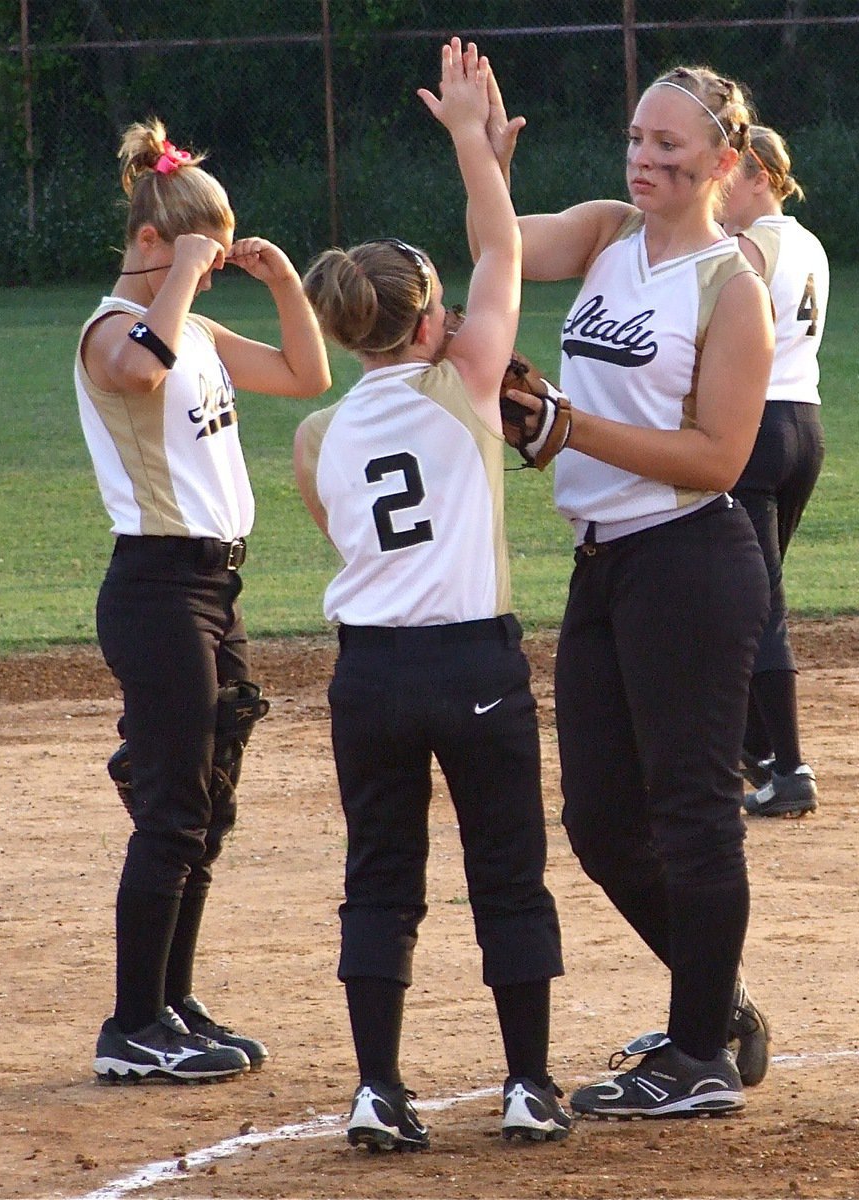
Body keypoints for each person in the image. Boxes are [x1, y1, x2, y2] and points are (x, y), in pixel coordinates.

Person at [473, 64, 776, 1117]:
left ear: (723, 165)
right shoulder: (610, 233)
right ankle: (716, 1008)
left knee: (693, 816)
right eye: (636, 140)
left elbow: (718, 458)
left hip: (688, 563)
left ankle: (696, 1055)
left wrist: (567, 428)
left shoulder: (728, 287)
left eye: (672, 151)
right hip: (603, 561)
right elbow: (497, 248)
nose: (645, 161)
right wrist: (481, 152)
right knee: (601, 821)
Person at [293, 39, 569, 1150]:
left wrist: (480, 155)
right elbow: (500, 247)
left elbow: (345, 533)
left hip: (369, 672)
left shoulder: (317, 433)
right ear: (422, 328)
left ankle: (376, 1088)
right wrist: (470, 142)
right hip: (472, 664)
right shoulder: (461, 386)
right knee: (506, 874)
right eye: (442, 310)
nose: (456, 318)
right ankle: (526, 1087)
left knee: (380, 878)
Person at [75, 118, 331, 1083]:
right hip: (155, 589)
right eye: (199, 252)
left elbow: (306, 375)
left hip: (216, 587)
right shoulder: (112, 328)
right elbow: (139, 368)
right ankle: (129, 1028)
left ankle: (171, 1003)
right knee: (174, 811)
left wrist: (282, 286)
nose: (211, 270)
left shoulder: (201, 326)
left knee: (208, 806)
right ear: (150, 243)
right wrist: (179, 270)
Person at [719, 125, 829, 818]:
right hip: (804, 428)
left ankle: (786, 767)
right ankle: (756, 749)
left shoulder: (752, 242)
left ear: (757, 174)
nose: (716, 185)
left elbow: (728, 314)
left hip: (756, 430)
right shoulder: (808, 241)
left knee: (757, 605)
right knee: (752, 595)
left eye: (727, 172)